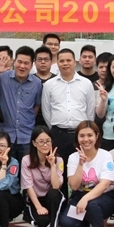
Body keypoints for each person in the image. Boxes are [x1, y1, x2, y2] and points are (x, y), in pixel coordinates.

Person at [58, 121, 114, 227]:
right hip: (80, 195)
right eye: (82, 136)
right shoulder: (73, 158)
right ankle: (87, 225)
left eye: (90, 135)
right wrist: (80, 164)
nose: (86, 139)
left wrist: (86, 199)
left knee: (91, 204)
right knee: (67, 223)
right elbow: (74, 186)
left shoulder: (105, 155)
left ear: (97, 136)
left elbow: (105, 184)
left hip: (103, 197)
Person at [43, 49, 96, 183]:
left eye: (68, 60)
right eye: (61, 61)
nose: (65, 63)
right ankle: (61, 195)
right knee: (59, 168)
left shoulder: (86, 83)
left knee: (81, 166)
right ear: (57, 63)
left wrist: (85, 131)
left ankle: (79, 194)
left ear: (75, 62)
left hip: (80, 135)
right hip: (58, 134)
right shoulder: (49, 84)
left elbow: (90, 110)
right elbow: (46, 110)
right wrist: (55, 128)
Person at [0, 46, 42, 162]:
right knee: (5, 167)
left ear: (32, 65)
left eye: (26, 63)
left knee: (27, 168)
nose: (22, 66)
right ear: (14, 61)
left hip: (27, 136)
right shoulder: (2, 77)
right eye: (19, 62)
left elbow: (36, 106)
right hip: (5, 136)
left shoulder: (37, 83)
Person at [21, 126, 64, 227]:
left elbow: (56, 186)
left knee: (54, 194)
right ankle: (40, 226)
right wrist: (38, 207)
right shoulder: (26, 160)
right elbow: (28, 186)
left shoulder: (59, 160)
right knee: (42, 220)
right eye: (41, 141)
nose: (45, 145)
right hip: (35, 198)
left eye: (48, 141)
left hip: (51, 198)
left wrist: (53, 165)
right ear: (34, 143)